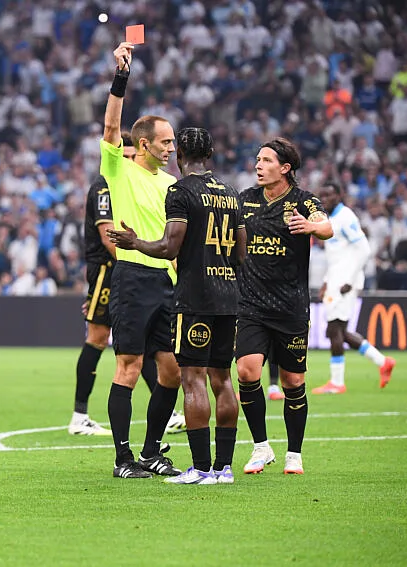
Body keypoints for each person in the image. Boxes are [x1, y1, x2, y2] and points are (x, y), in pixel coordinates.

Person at [108, 127, 244, 485]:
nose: (169, 149)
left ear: (182, 152)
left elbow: (170, 247)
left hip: (191, 293)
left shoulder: (179, 190)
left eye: (173, 144)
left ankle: (197, 467)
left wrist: (135, 241)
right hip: (225, 294)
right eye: (163, 141)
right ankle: (222, 467)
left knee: (190, 377)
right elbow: (242, 253)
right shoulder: (232, 192)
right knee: (219, 378)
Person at [100, 42, 182, 479]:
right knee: (129, 368)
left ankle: (151, 451)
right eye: (165, 142)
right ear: (143, 143)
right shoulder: (120, 168)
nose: (171, 148)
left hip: (166, 282)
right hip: (132, 277)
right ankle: (122, 459)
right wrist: (122, 76)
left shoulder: (171, 183)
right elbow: (112, 124)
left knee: (169, 370)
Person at [71, 133, 186, 436]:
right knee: (98, 337)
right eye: (126, 156)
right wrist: (131, 259)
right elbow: (109, 233)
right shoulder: (104, 185)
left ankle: (167, 412)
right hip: (112, 269)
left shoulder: (149, 181)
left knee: (146, 345)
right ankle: (79, 415)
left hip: (137, 266)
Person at [236, 137, 334, 476]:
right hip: (250, 304)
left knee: (293, 381)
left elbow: (327, 226)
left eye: (266, 160)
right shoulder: (245, 199)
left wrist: (311, 227)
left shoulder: (305, 202)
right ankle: (261, 447)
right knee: (247, 371)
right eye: (257, 159)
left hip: (290, 306)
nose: (258, 165)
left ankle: (294, 453)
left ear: (285, 167)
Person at [312, 182, 396, 394]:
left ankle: (337, 382)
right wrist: (326, 281)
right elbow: (338, 255)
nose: (325, 199)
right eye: (322, 195)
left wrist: (348, 279)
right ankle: (382, 362)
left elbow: (364, 249)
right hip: (336, 279)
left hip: (344, 282)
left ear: (339, 195)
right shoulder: (331, 218)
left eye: (329, 194)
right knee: (341, 331)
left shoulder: (345, 217)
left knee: (334, 330)